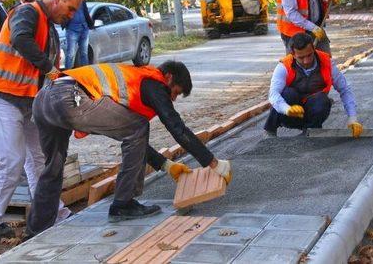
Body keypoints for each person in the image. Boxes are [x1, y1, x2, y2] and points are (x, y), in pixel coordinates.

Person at [25, 60, 233, 237]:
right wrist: (213, 163)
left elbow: (133, 138)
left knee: (53, 166)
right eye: (175, 93)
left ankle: (36, 231)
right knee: (138, 127)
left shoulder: (135, 82)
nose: (173, 99)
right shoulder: (154, 82)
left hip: (44, 98)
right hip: (68, 98)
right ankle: (123, 204)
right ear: (168, 77)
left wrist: (166, 165)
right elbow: (176, 128)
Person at [0, 0, 84, 240]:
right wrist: (52, 71)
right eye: (69, 8)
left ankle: (52, 213)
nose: (70, 15)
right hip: (0, 97)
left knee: (39, 160)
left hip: (27, 102)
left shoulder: (51, 30)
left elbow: (50, 72)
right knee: (12, 159)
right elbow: (21, 39)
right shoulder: (28, 12)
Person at [264, 32, 363, 137]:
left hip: (312, 112)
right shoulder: (283, 66)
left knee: (323, 100)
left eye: (309, 55)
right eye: (301, 57)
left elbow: (344, 89)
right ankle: (270, 130)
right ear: (293, 55)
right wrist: (286, 109)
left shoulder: (327, 62)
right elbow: (273, 95)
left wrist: (352, 119)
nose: (306, 61)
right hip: (288, 114)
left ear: (313, 48)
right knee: (287, 93)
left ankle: (310, 132)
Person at [63, 0, 94, 69]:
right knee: (70, 54)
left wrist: (90, 24)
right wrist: (64, 24)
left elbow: (85, 12)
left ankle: (86, 74)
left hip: (84, 29)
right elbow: (63, 12)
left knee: (84, 53)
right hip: (72, 30)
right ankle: (67, 74)